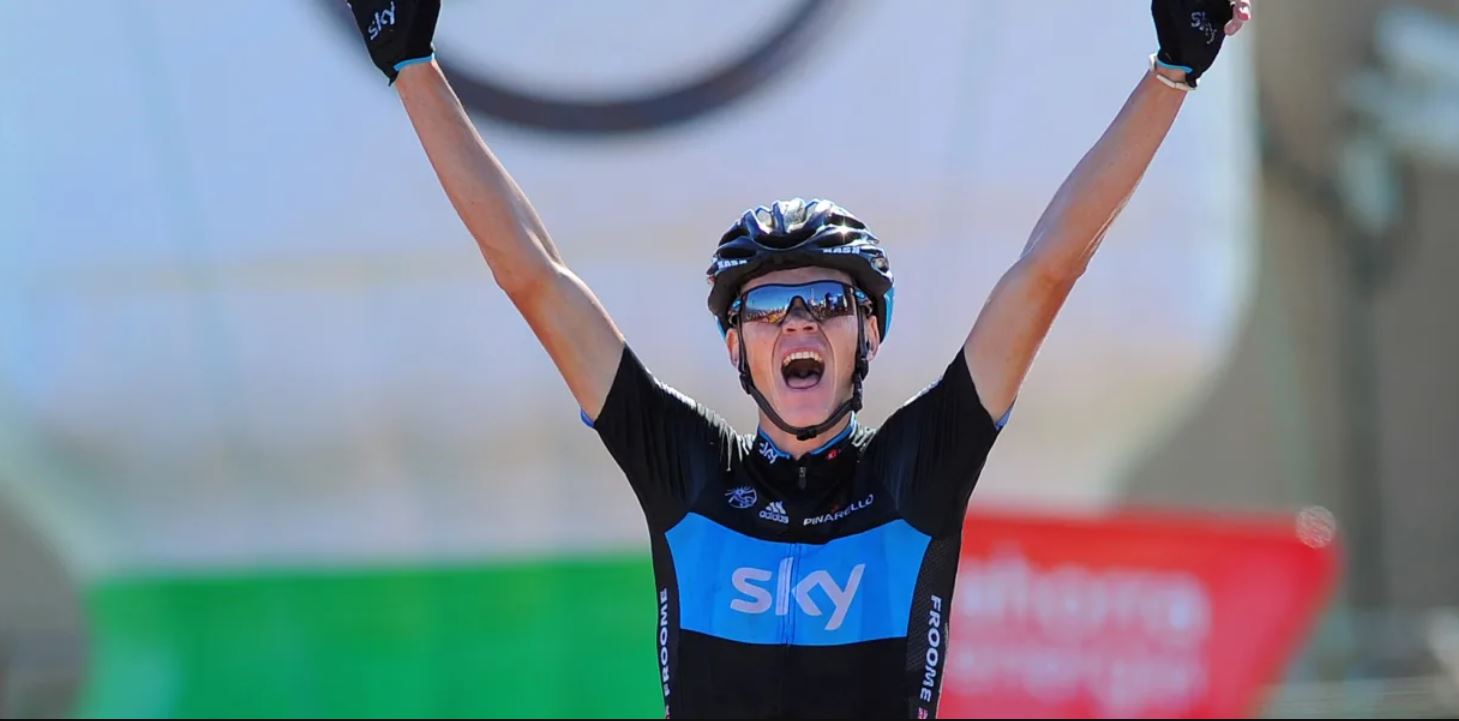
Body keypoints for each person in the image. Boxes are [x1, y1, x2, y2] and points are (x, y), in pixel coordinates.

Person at [340, 1, 1251, 717]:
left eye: (828, 303)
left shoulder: (911, 475)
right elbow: (535, 278)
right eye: (771, 308)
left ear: (870, 334)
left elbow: (1046, 270)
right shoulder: (691, 475)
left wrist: (1172, 72)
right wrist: (413, 66)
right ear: (736, 346)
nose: (799, 325)